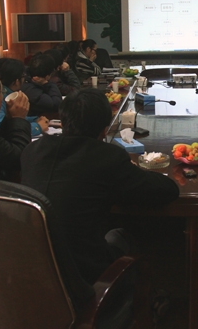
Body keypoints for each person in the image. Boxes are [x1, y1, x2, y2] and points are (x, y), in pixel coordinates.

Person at [21, 88, 179, 284]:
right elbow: (168, 191)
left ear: (62, 122)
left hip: (30, 274)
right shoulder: (107, 158)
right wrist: (133, 170)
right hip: (84, 279)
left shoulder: (31, 151)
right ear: (104, 130)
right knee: (130, 232)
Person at [0, 58, 49, 137]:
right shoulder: (0, 97)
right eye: (23, 76)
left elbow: (14, 119)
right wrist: (37, 127)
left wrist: (35, 119)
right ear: (16, 81)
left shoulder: (6, 93)